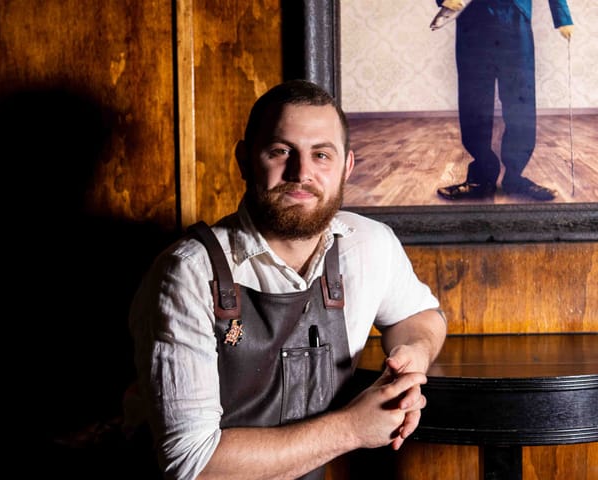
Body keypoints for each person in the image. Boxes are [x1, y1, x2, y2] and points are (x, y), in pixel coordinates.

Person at [129, 79, 447, 480]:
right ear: (245, 160)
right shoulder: (187, 274)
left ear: (346, 166)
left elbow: (420, 315)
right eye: (281, 152)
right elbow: (192, 464)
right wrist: (352, 428)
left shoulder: (367, 245)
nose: (302, 173)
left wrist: (412, 357)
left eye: (321, 155)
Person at [436, 0, 574, 201]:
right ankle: (480, 179)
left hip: (515, 16)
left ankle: (515, 178)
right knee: (473, 100)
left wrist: (562, 16)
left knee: (520, 101)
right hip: (473, 17)